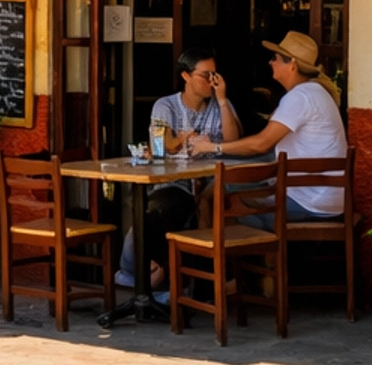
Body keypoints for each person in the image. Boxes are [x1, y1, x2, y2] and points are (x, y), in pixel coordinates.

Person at [188, 30, 349, 221]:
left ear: (292, 65)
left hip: (310, 202)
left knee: (223, 199)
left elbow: (261, 144)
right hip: (324, 198)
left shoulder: (300, 97)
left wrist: (212, 147)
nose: (270, 62)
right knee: (226, 189)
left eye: (276, 58)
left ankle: (212, 248)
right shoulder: (315, 92)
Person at [120, 47, 243, 291]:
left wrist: (222, 99)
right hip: (176, 182)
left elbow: (234, 139)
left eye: (215, 75)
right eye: (206, 75)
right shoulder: (166, 105)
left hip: (211, 181)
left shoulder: (220, 105)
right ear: (186, 76)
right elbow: (163, 142)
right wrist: (180, 140)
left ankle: (185, 281)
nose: (212, 81)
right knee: (156, 213)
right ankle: (153, 273)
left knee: (209, 209)